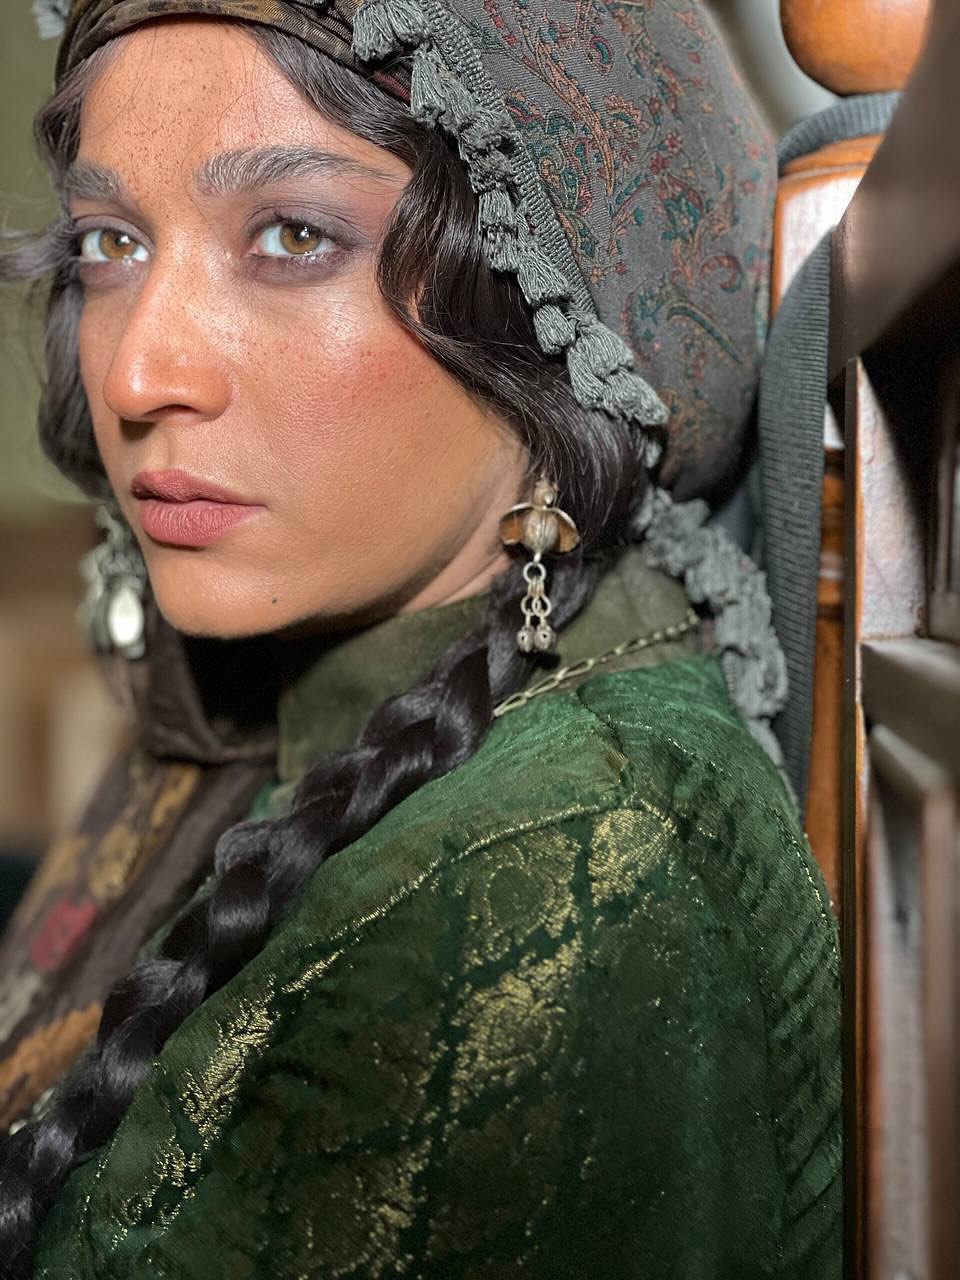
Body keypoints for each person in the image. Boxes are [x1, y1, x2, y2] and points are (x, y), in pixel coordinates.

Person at [0, 0, 841, 1275]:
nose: (137, 373)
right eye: (112, 241)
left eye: (292, 236)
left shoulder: (544, 879)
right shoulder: (280, 677)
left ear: (558, 324)